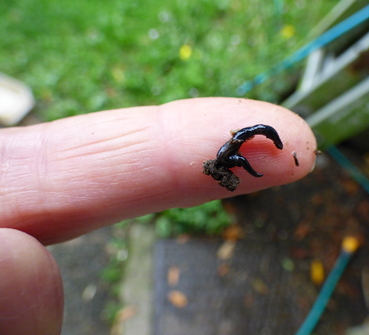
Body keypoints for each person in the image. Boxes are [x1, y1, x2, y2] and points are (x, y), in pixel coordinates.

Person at [0, 97, 317, 334]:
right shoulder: (224, 161)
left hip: (230, 151)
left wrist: (250, 163)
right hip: (228, 153)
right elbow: (242, 159)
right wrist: (248, 166)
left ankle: (270, 143)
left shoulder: (226, 158)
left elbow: (244, 155)